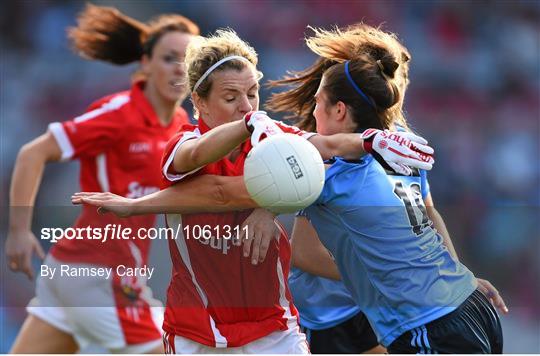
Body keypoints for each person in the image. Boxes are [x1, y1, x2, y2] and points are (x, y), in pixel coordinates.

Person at [74, 28, 435, 353]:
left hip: (272, 329)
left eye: (252, 94)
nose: (247, 106)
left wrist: (373, 141)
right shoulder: (183, 145)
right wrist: (250, 129)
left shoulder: (269, 138)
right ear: (199, 103)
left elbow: (324, 148)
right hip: (196, 332)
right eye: (231, 97)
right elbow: (211, 180)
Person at [267, 24, 504, 353]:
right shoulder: (407, 147)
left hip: (425, 322)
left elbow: (256, 171)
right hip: (464, 306)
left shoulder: (328, 177)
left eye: (318, 102)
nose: (312, 110)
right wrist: (459, 272)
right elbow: (429, 214)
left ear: (339, 109)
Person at [5, 4, 199, 353]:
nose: (180, 68)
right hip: (98, 274)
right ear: (145, 64)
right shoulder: (119, 113)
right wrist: (19, 231)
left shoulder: (179, 125)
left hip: (78, 271)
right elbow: (32, 153)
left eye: (190, 59)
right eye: (170, 58)